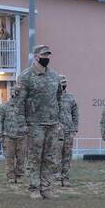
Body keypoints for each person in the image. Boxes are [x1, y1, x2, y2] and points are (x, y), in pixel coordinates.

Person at [13, 45, 68, 199]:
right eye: (44, 55)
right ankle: (34, 188)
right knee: (35, 157)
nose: (47, 58)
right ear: (36, 56)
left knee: (49, 157)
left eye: (48, 55)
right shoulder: (26, 76)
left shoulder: (54, 76)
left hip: (51, 123)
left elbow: (59, 99)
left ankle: (46, 187)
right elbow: (19, 102)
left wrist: (59, 120)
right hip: (34, 123)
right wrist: (22, 123)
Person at [0, 84, 27, 184]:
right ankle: (10, 176)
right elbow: (0, 121)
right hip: (8, 137)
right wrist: (0, 136)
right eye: (15, 93)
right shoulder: (4, 107)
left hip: (22, 137)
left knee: (21, 158)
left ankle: (19, 176)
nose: (16, 95)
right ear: (11, 94)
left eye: (18, 93)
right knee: (9, 158)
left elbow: (30, 121)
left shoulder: (25, 107)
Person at [55, 75, 79, 188]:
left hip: (69, 130)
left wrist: (75, 127)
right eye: (62, 83)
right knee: (56, 154)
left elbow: (75, 113)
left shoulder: (71, 97)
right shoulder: (53, 97)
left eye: (65, 82)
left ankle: (65, 177)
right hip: (56, 131)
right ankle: (56, 176)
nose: (64, 85)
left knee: (67, 154)